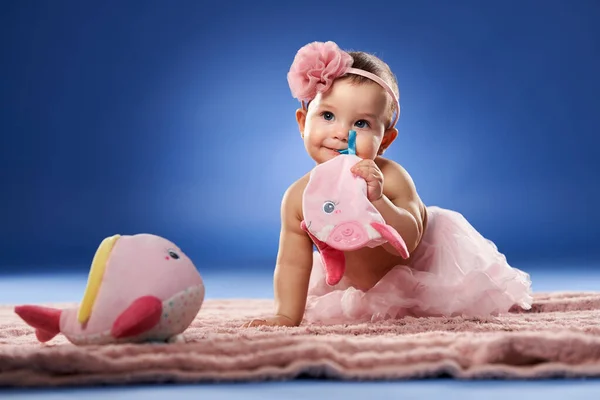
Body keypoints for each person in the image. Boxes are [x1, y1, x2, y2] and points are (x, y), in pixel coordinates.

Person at [242, 41, 533, 327]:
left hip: (420, 268)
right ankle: (359, 297)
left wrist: (378, 200)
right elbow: (292, 263)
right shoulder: (298, 197)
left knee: (454, 301)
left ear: (385, 140)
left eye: (362, 124)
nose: (342, 133)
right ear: (303, 123)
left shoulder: (391, 178)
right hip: (358, 281)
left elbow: (408, 242)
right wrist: (285, 316)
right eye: (328, 116)